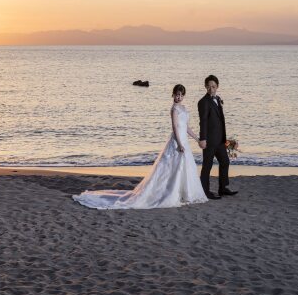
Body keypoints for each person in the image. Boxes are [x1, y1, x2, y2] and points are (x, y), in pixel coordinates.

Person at [73, 84, 209, 209]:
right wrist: (179, 144)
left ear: (183, 96)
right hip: (177, 142)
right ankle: (169, 193)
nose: (179, 97)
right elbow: (175, 127)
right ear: (173, 95)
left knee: (185, 168)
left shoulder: (184, 108)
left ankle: (185, 193)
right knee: (173, 169)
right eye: (177, 94)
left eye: (181, 95)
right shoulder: (174, 109)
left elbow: (186, 127)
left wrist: (197, 139)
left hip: (184, 141)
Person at [197, 75, 238, 199]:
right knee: (207, 166)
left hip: (220, 140)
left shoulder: (218, 99)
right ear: (205, 87)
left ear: (217, 87)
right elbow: (203, 121)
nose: (211, 89)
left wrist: (228, 140)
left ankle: (222, 188)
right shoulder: (203, 102)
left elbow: (220, 120)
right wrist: (203, 139)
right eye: (208, 86)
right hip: (209, 140)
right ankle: (205, 191)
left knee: (225, 161)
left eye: (213, 86)